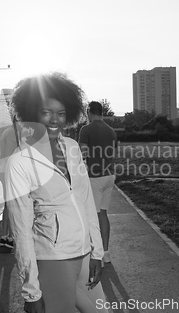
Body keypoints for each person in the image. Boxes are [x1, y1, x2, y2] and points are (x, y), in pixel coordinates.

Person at [4, 72, 109, 313]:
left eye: (61, 113)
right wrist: (31, 293)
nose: (55, 120)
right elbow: (21, 232)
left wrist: (97, 252)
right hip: (53, 260)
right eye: (46, 112)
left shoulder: (71, 147)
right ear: (31, 114)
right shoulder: (19, 163)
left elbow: (85, 201)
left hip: (84, 255)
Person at [79, 101, 117, 265]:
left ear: (89, 112)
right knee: (102, 214)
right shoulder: (111, 131)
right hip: (109, 175)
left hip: (95, 176)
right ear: (102, 112)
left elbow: (82, 155)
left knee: (91, 216)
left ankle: (96, 254)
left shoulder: (86, 129)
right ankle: (105, 252)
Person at [0, 118, 28, 249]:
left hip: (3, 171)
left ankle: (4, 236)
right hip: (11, 172)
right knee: (13, 205)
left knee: (8, 204)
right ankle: (10, 237)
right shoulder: (16, 134)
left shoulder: (6, 132)